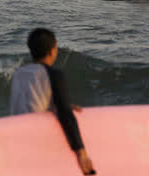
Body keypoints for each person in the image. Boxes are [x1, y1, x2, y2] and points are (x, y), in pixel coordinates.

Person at [10, 28, 95, 175]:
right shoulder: (53, 74)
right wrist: (81, 153)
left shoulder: (18, 74)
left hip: (15, 139)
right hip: (38, 142)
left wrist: (53, 106)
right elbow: (66, 115)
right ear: (52, 51)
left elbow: (29, 101)